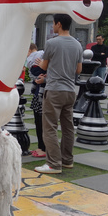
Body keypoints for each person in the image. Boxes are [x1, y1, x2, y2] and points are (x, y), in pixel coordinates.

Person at [34, 14, 83, 174]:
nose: (53, 26)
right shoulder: (77, 44)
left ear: (59, 24)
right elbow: (78, 70)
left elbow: (44, 66)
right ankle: (67, 160)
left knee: (50, 127)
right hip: (70, 91)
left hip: (54, 90)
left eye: (54, 23)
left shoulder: (52, 43)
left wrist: (40, 63)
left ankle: (54, 164)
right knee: (68, 127)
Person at [25, 43, 46, 158]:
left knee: (42, 122)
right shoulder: (39, 58)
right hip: (38, 93)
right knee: (38, 121)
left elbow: (39, 71)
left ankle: (44, 148)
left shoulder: (40, 57)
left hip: (43, 93)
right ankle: (41, 146)